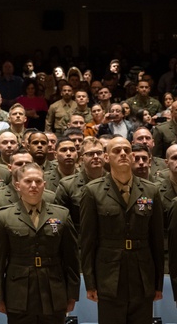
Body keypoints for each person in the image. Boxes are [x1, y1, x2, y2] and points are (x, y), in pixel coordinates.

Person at [80, 136, 163, 324]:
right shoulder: (93, 191)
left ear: (133, 156)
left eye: (127, 150)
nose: (123, 154)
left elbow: (157, 240)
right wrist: (90, 283)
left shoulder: (151, 191)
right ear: (107, 157)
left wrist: (158, 283)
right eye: (117, 151)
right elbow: (87, 241)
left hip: (142, 275)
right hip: (109, 276)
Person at [0, 163, 79, 323]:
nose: (34, 185)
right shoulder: (4, 216)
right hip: (18, 292)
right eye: (28, 181)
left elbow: (71, 259)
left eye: (38, 181)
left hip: (53, 291)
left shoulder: (61, 214)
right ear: (17, 186)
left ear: (44, 185)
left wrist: (72, 294)